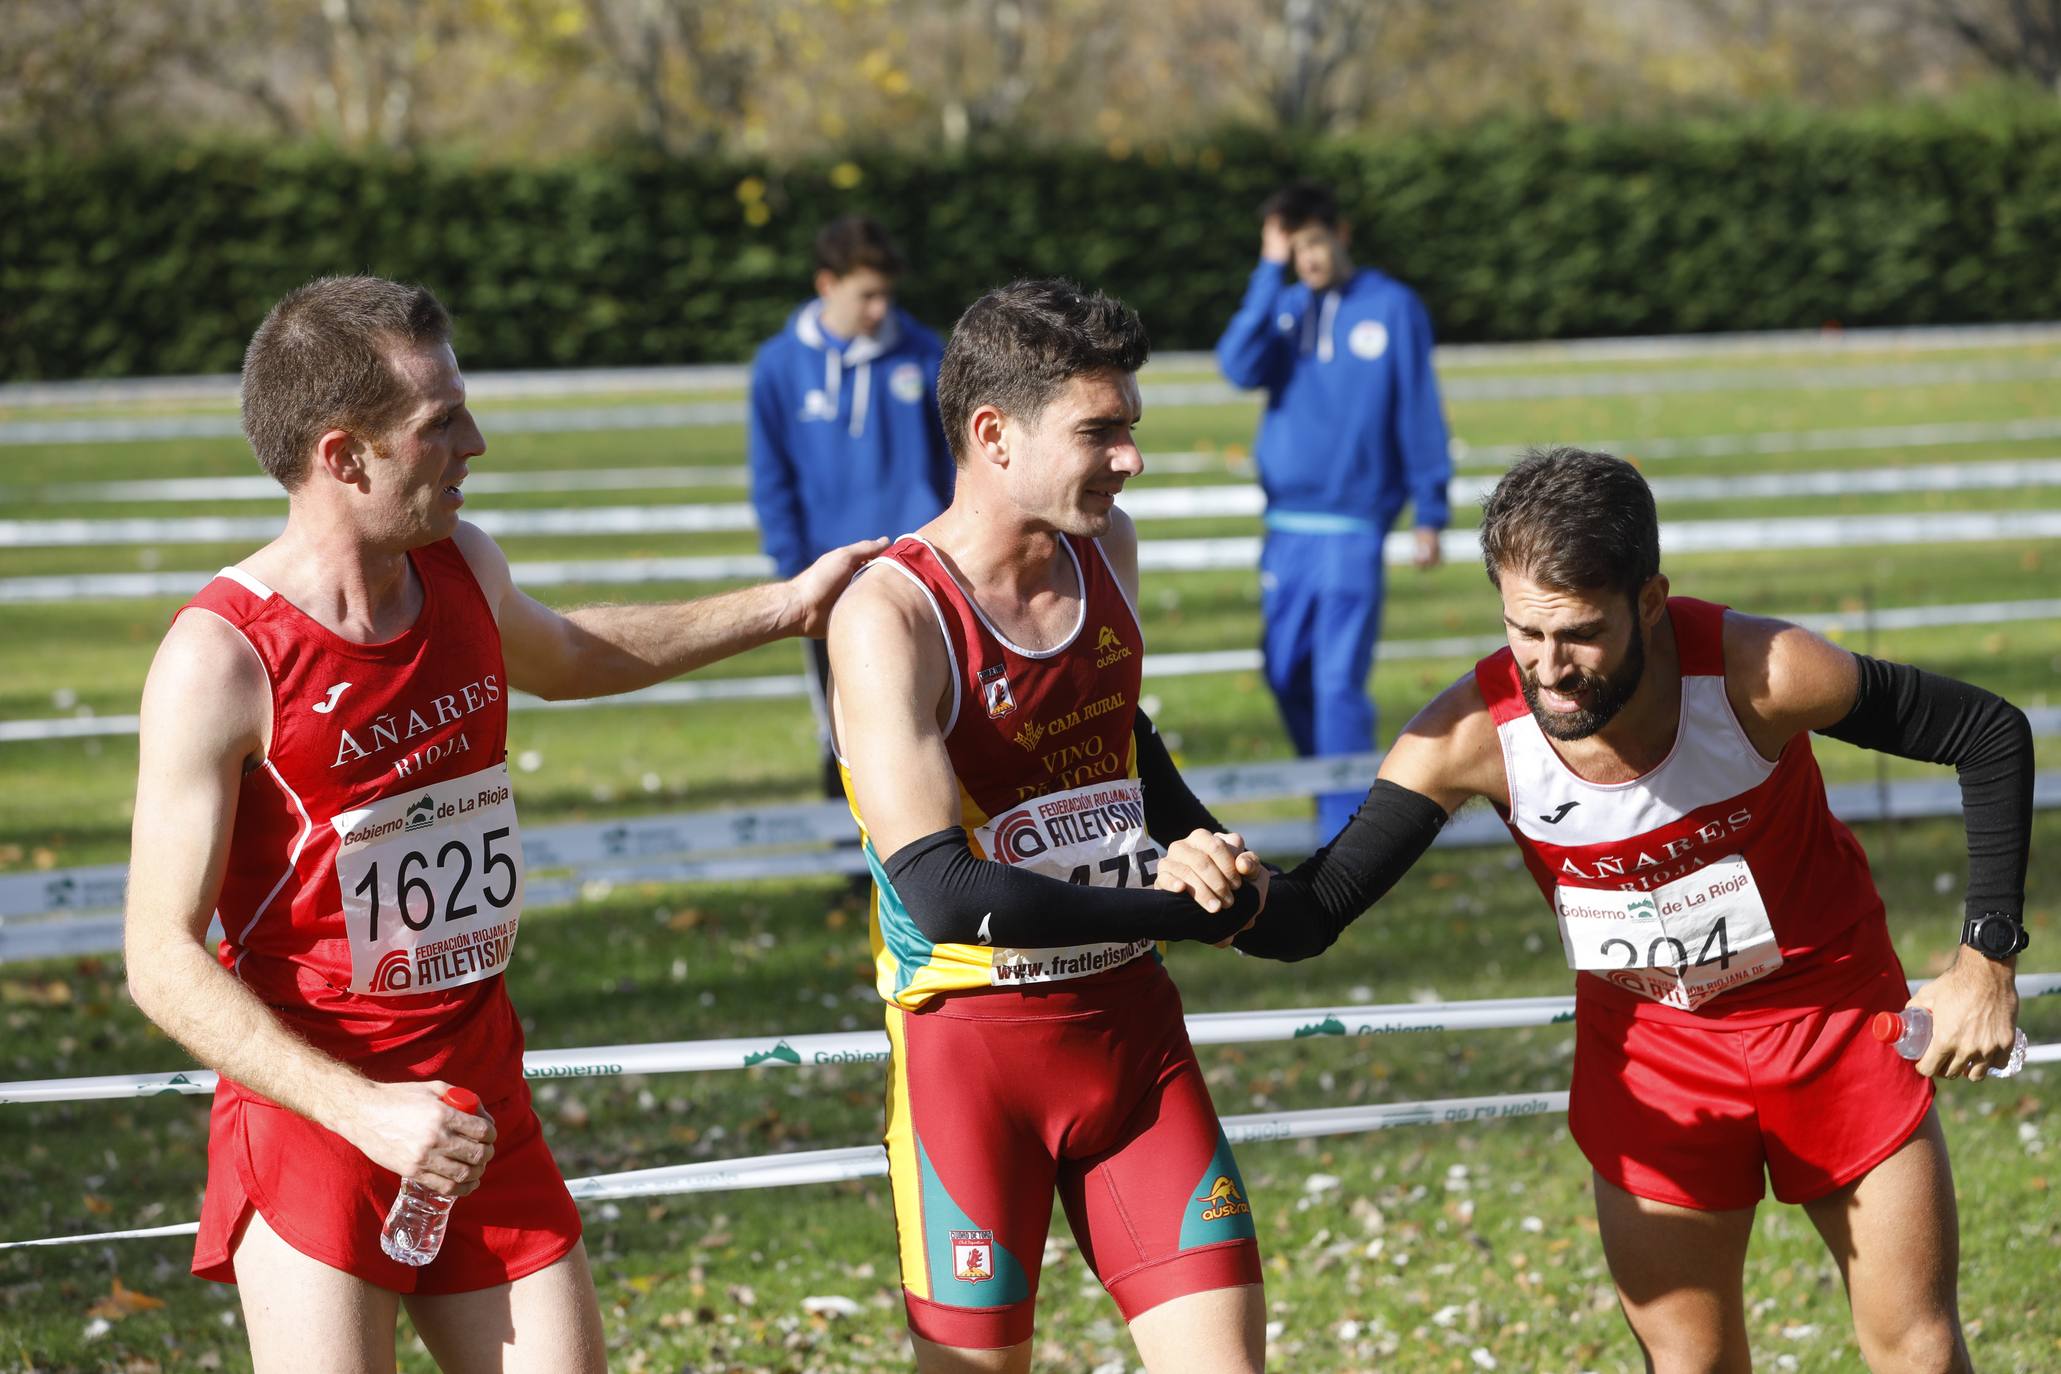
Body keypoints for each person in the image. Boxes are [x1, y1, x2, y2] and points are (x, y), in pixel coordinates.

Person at [122, 275, 883, 1373]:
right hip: (321, 1123)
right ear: (344, 456)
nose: (476, 443)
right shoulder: (223, 658)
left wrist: (788, 604)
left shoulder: (462, 566)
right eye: (441, 424)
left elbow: (570, 653)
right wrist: (370, 1113)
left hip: (483, 1101)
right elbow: (157, 958)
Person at [1157, 447, 2032, 1374]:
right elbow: (1315, 910)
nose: (1547, 671)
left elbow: (1986, 735)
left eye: (1576, 634)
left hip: (1830, 1020)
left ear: (1648, 602)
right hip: (1654, 1057)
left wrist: (1986, 959)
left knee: (1917, 1351)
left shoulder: (1758, 673)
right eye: (1520, 634)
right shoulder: (1466, 735)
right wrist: (1224, 886)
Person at [826, 279, 1273, 1373]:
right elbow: (942, 889)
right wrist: (1168, 906)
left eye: (1131, 428)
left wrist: (1212, 854)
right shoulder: (893, 615)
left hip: (1133, 1042)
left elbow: (1128, 740)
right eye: (1100, 431)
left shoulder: (1105, 548)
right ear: (995, 436)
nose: (1130, 460)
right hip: (974, 1062)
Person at [1214, 179, 1452, 840]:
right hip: (1285, 529)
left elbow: (1417, 409)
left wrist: (1429, 509)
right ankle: (1327, 787)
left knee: (1338, 684)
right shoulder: (1283, 310)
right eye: (1295, 250)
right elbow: (1235, 365)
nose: (1309, 260)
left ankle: (1344, 833)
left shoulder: (1392, 308)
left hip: (1353, 528)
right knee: (1283, 670)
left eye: (1315, 243)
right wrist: (1267, 270)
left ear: (1341, 234)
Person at [749, 214, 955, 806]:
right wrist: (793, 568)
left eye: (887, 294)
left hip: (922, 569)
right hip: (828, 578)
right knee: (845, 722)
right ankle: (850, 866)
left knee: (937, 714)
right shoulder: (779, 366)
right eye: (867, 294)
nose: (879, 308)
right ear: (826, 285)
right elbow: (772, 477)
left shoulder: (923, 352)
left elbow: (953, 460)